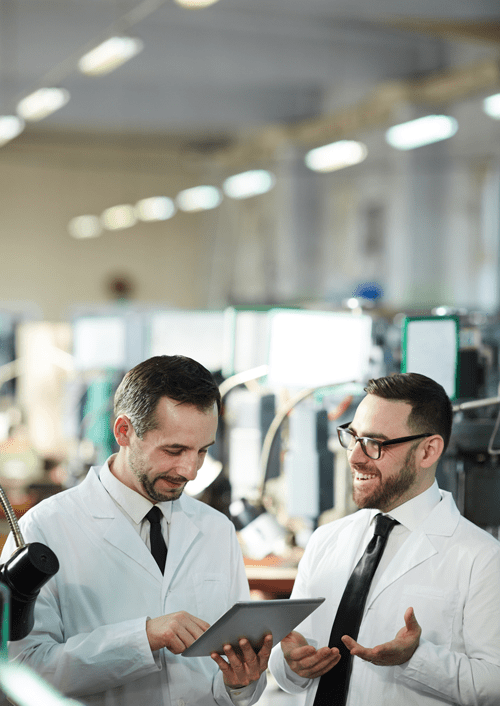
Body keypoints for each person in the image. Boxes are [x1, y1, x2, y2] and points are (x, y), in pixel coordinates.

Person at [2, 355, 271, 706]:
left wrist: (241, 683)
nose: (190, 470)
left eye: (202, 451)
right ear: (124, 431)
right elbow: (19, 672)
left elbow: (222, 681)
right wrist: (142, 638)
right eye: (174, 450)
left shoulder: (216, 530)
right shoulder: (46, 527)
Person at [269, 372, 500, 705]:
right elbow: (290, 662)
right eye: (353, 437)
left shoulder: (482, 559)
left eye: (374, 444)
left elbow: (494, 685)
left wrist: (417, 658)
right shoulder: (326, 540)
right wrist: (291, 664)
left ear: (428, 451)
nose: (355, 456)